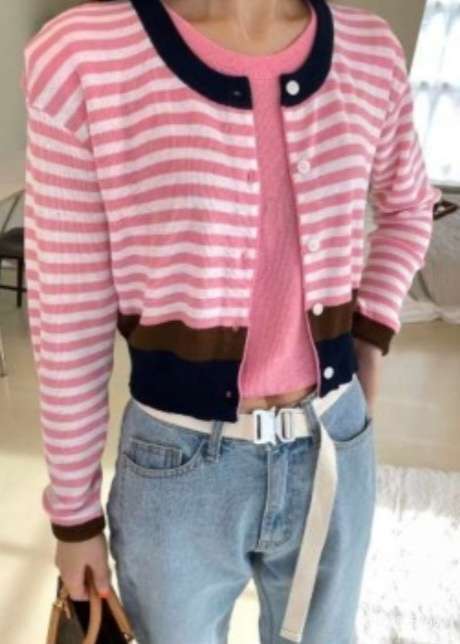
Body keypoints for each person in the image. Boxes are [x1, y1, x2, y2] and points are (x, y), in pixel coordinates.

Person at [21, 0, 440, 642]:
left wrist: (369, 336)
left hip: (333, 445)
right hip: (176, 467)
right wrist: (74, 517)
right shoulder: (82, 59)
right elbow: (68, 308)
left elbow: (410, 206)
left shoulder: (370, 51)